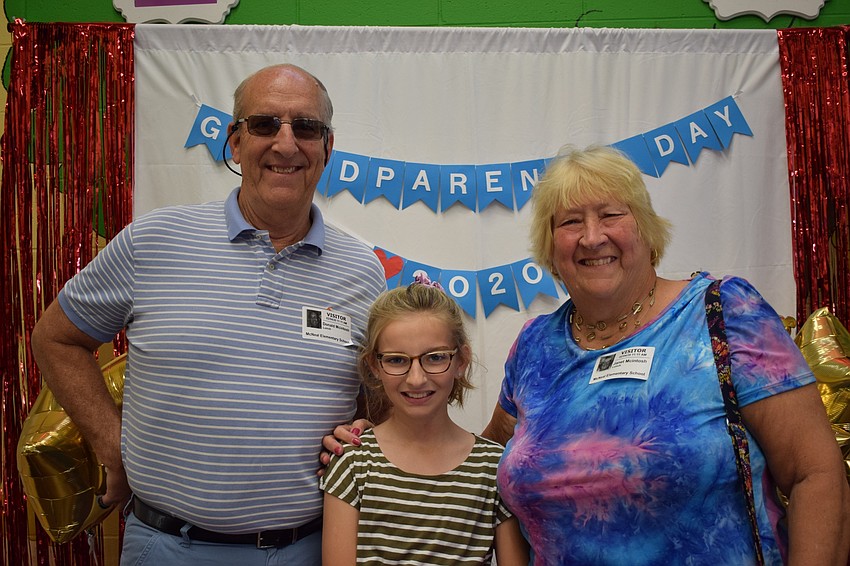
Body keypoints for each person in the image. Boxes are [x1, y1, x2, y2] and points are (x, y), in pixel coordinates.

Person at [30, 64, 386, 566]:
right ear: (235, 143)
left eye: (306, 127)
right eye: (265, 124)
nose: (286, 144)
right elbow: (56, 339)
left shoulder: (363, 272)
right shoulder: (153, 241)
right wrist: (113, 447)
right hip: (165, 546)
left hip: (308, 548)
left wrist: (364, 434)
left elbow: (379, 398)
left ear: (327, 148)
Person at [476, 145, 850, 565]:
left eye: (611, 215)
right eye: (570, 222)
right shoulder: (534, 347)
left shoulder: (724, 313)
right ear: (550, 247)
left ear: (646, 228)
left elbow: (814, 475)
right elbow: (487, 462)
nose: (592, 236)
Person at [320, 277, 529, 565]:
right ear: (374, 366)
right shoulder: (353, 463)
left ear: (461, 361)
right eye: (396, 360)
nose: (416, 378)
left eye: (434, 358)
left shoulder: (494, 467)